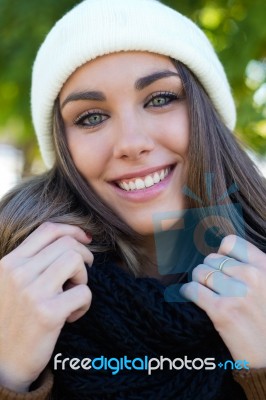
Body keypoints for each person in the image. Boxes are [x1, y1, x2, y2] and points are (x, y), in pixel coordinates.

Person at [0, 0, 265, 399]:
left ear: (207, 114)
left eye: (160, 99)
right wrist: (7, 374)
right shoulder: (11, 282)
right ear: (63, 148)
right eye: (91, 117)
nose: (131, 143)